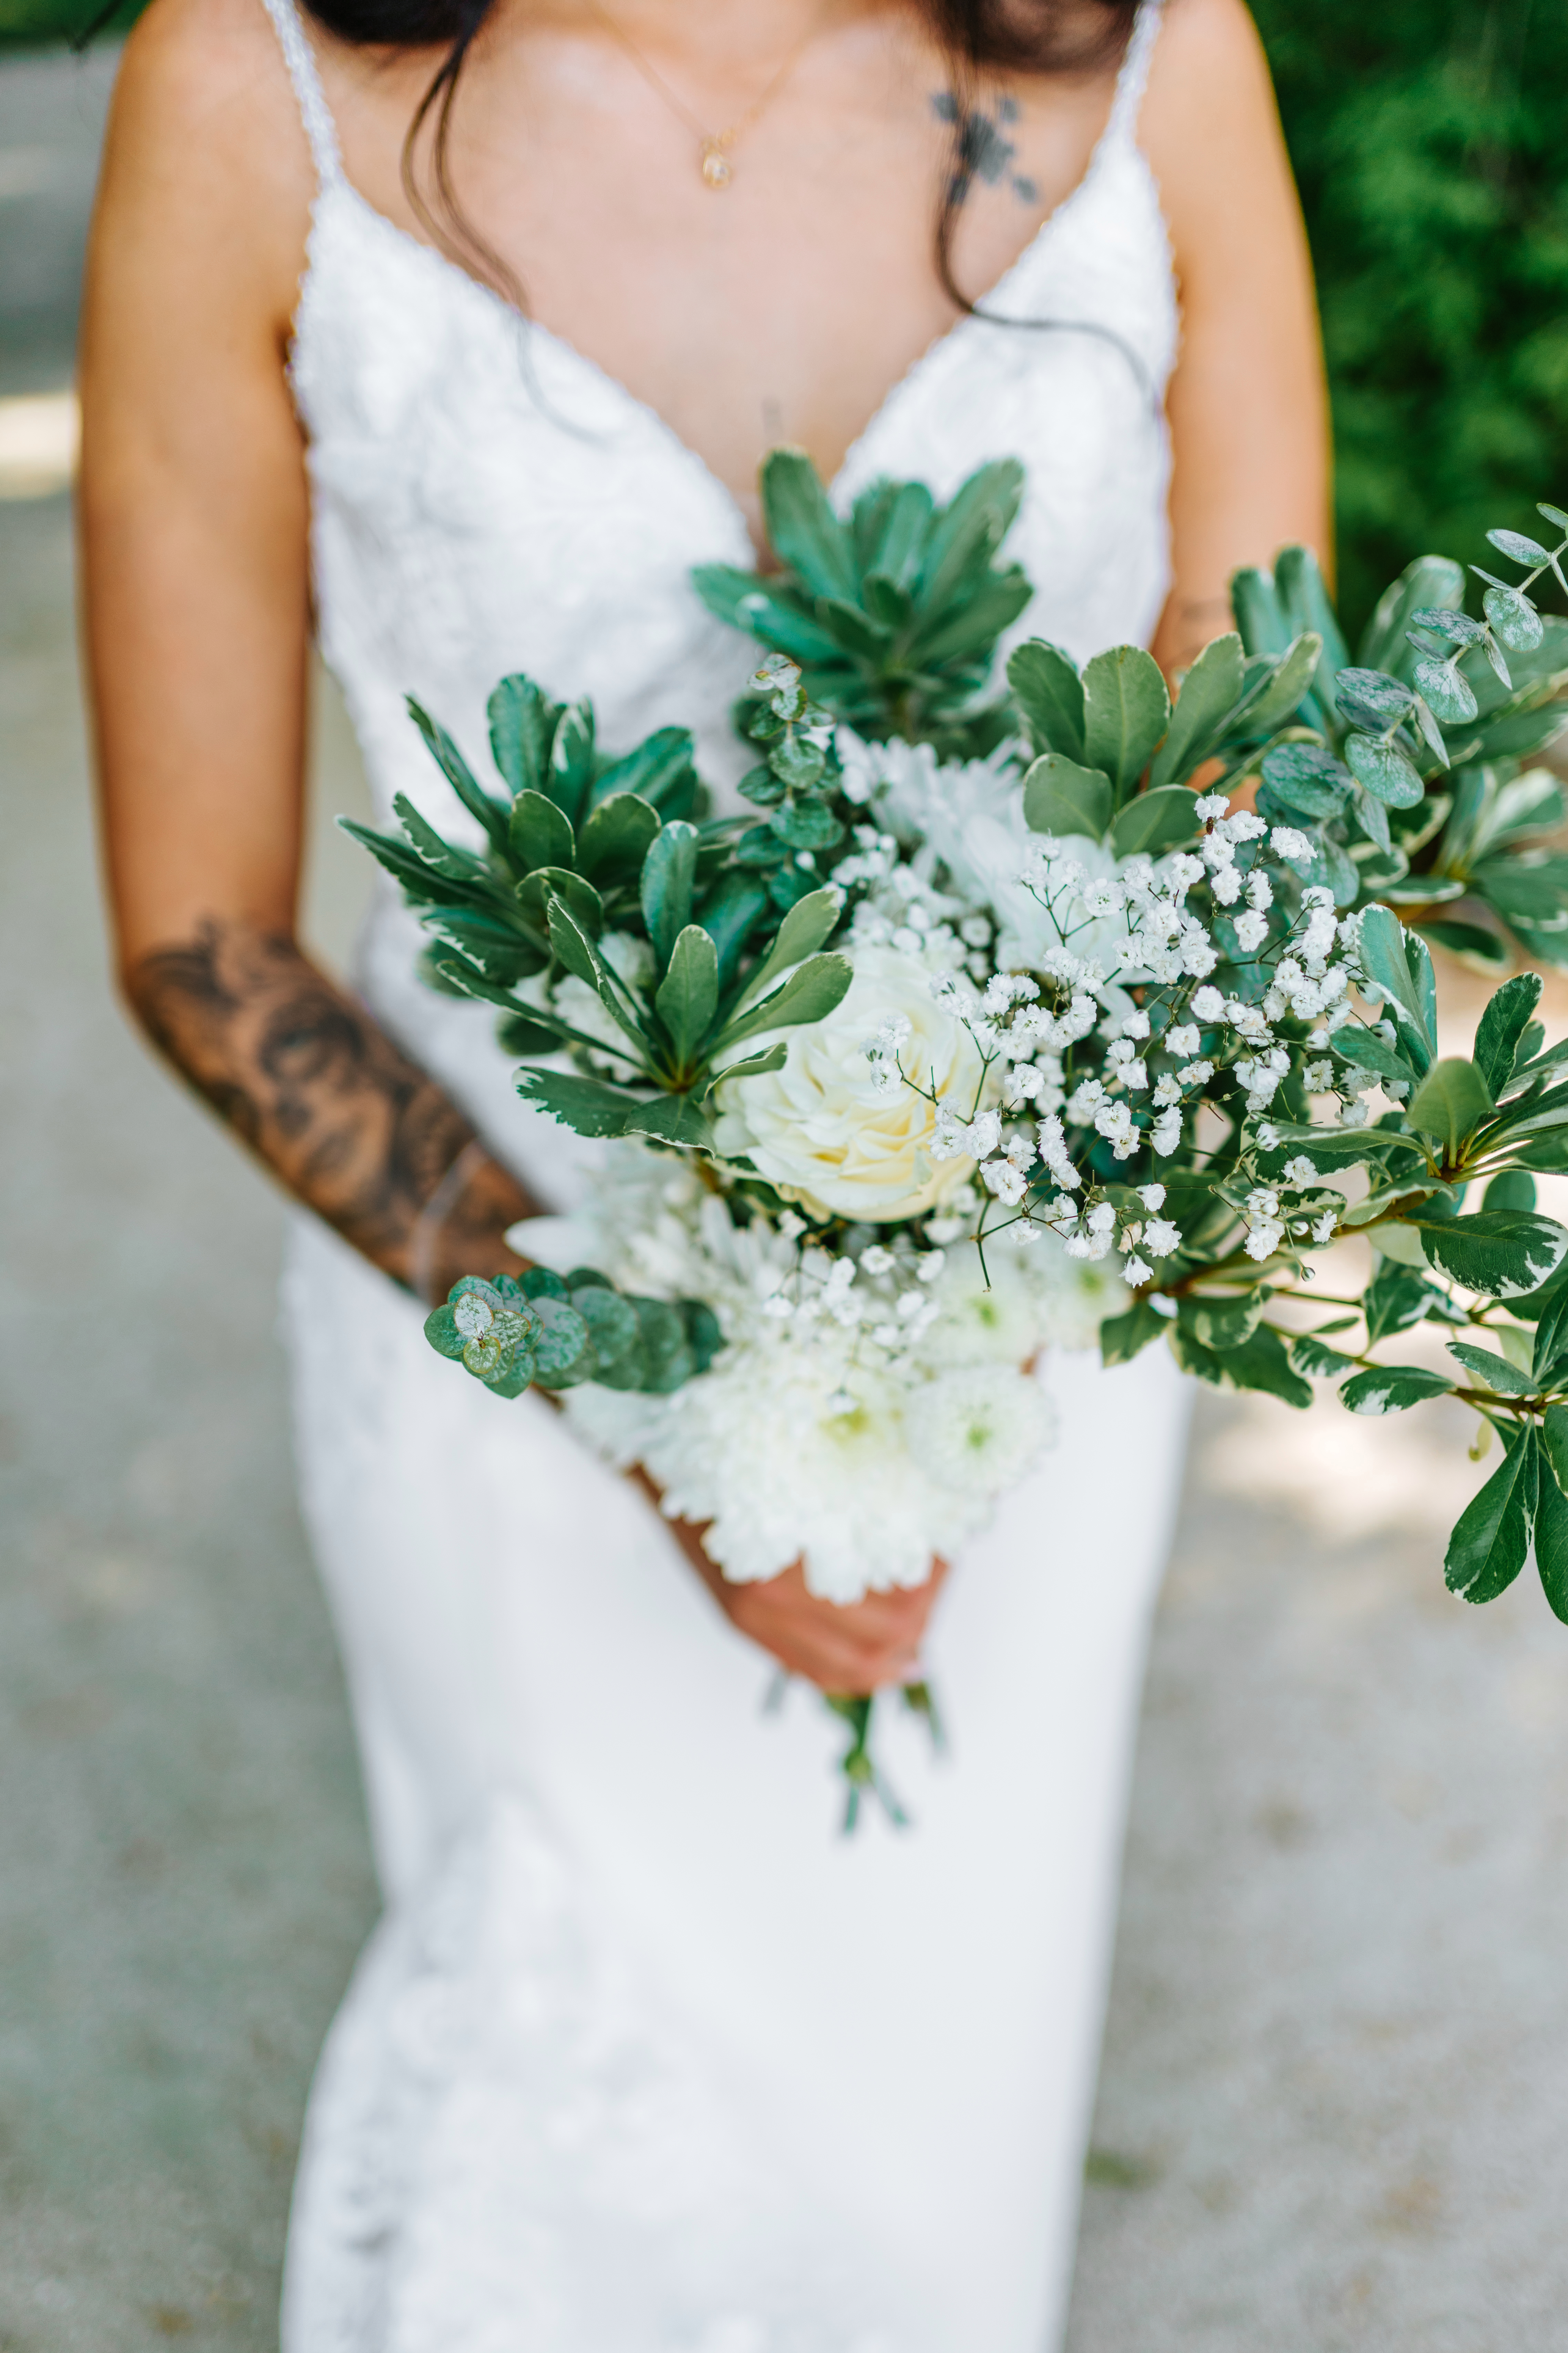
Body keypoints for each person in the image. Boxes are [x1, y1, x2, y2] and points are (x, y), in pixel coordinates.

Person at [81, 0, 1327, 2340]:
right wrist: (657, 1392)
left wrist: (1000, 1265)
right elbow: (203, 937)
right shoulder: (249, 89)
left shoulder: (1159, 47)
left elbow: (1245, 703)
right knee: (592, 2134)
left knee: (937, 2135)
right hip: (502, 1330)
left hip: (1036, 1357)